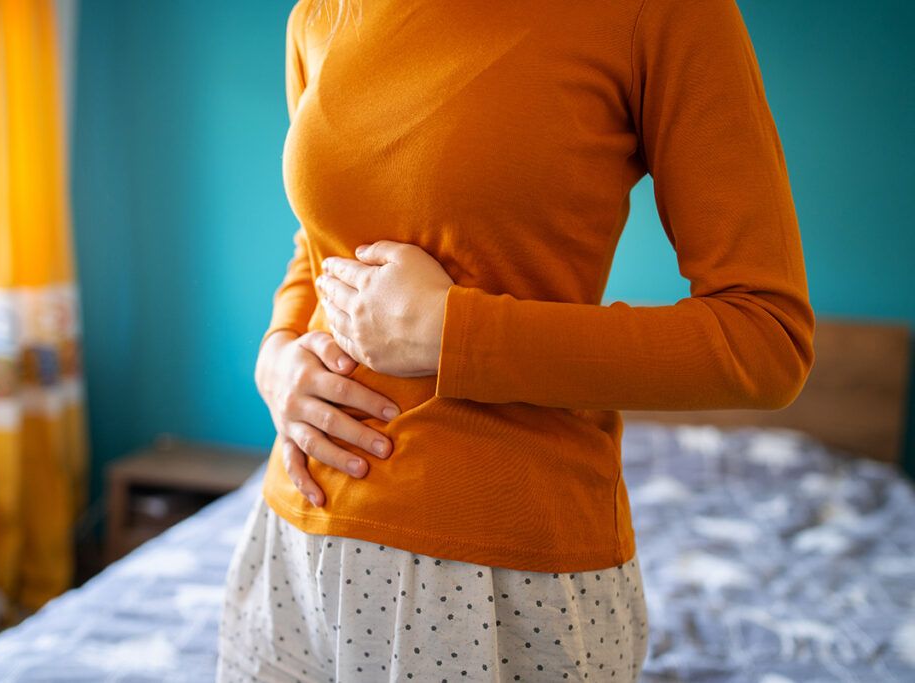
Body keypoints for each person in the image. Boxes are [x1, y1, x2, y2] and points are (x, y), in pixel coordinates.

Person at [217, 0, 815, 680]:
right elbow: (321, 242)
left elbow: (766, 339)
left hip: (502, 583)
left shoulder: (664, 13)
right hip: (293, 546)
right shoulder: (319, 14)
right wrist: (276, 354)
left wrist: (456, 334)